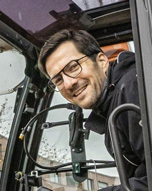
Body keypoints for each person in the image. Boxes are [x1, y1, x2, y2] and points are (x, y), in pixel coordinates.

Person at [37, 29, 146, 191]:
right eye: (58, 80)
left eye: (73, 67)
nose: (68, 83)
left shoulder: (133, 90)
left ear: (101, 61)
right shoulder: (113, 108)